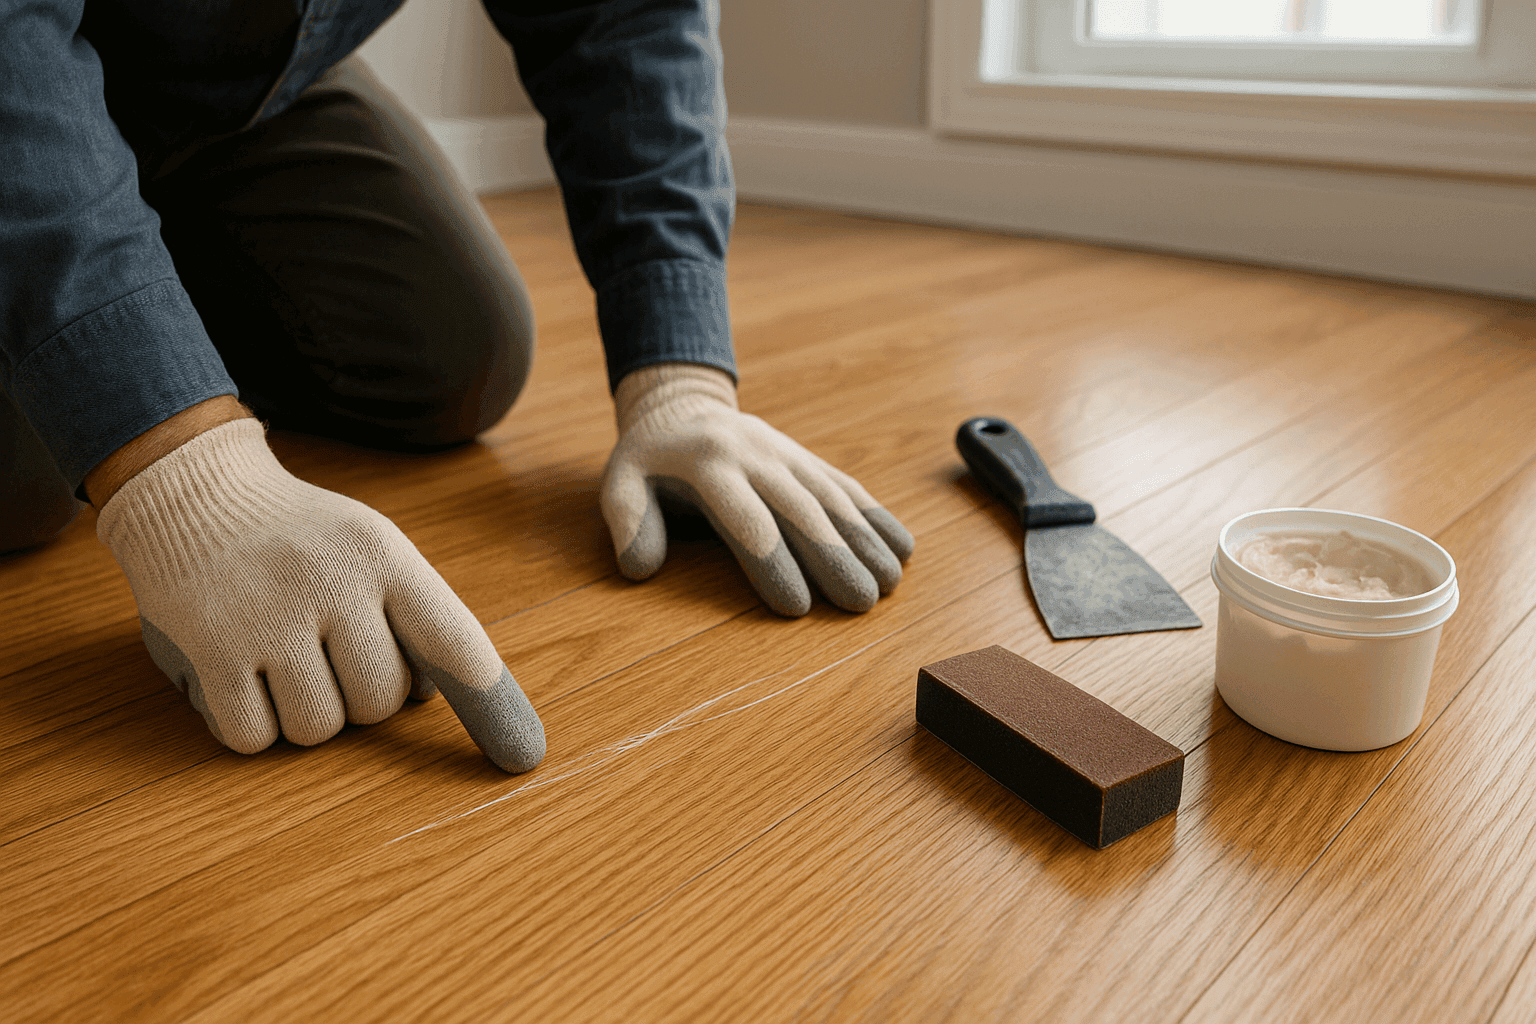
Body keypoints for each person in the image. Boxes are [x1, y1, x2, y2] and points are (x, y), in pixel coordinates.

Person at [0, 0, 914, 772]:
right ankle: (113, 289)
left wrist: (681, 377)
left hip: (242, 97)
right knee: (23, 485)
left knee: (453, 356)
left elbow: (624, 12)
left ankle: (131, 264)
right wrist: (176, 471)